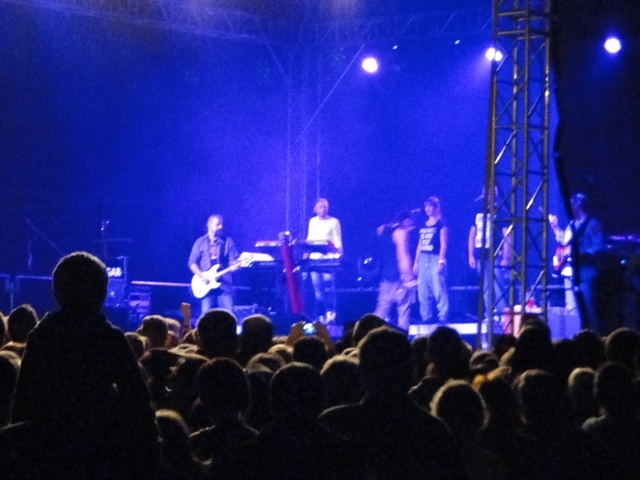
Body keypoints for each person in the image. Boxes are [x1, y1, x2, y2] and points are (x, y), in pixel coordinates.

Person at [548, 193, 604, 331]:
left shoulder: (593, 224)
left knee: (587, 306)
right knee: (571, 308)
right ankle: (575, 335)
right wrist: (555, 227)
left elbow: (598, 247)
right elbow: (564, 242)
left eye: (571, 205)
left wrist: (577, 252)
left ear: (578, 205)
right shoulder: (572, 224)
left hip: (585, 273)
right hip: (569, 272)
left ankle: (592, 335)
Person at [468, 186, 512, 321]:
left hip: (495, 254)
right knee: (486, 286)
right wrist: (471, 254)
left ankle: (502, 314)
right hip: (480, 254)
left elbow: (507, 236)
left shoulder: (501, 212)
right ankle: (489, 314)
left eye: (491, 193)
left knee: (498, 285)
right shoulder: (477, 211)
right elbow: (472, 234)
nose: (487, 196)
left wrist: (506, 257)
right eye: (486, 193)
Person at [373, 210, 416, 330]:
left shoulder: (383, 232)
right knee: (403, 309)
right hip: (399, 276)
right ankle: (402, 337)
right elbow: (403, 255)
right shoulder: (400, 233)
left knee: (382, 309)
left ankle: (372, 334)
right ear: (405, 220)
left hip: (386, 275)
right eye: (411, 221)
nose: (412, 224)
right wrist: (408, 277)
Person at [189, 214, 238, 317]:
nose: (221, 227)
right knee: (205, 316)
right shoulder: (200, 242)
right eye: (218, 224)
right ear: (209, 225)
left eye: (221, 224)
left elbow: (233, 261)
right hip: (206, 285)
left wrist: (235, 266)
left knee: (230, 315)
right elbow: (192, 263)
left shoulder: (228, 242)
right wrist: (202, 276)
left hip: (224, 285)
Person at [306, 198, 343, 323]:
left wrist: (339, 254)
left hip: (328, 259)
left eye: (325, 207)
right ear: (315, 209)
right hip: (314, 259)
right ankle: (320, 315)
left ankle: (331, 313)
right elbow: (310, 238)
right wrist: (306, 253)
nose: (323, 209)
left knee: (328, 286)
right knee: (318, 291)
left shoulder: (334, 221)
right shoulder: (312, 221)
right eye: (321, 207)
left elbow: (337, 239)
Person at [413, 196, 449, 324]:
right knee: (422, 288)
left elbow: (443, 244)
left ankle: (443, 315)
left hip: (435, 257)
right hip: (423, 258)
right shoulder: (423, 225)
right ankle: (426, 316)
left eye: (430, 206)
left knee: (438, 287)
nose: (427, 209)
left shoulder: (441, 224)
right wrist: (416, 262)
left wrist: (441, 261)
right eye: (426, 206)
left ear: (435, 208)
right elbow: (420, 244)